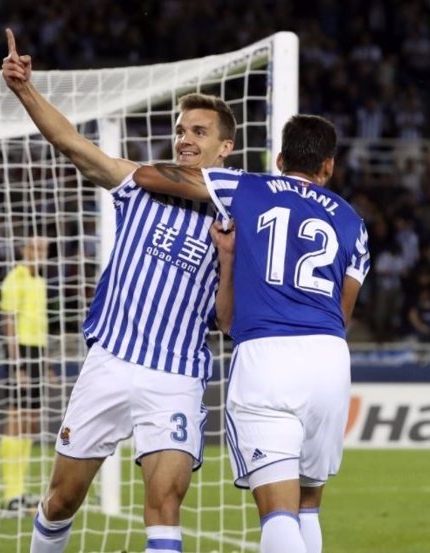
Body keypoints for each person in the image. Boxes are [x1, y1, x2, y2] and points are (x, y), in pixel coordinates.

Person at [2, 28, 236, 553]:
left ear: (226, 146)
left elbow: (230, 322)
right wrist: (25, 90)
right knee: (62, 500)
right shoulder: (140, 183)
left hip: (176, 374)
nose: (185, 139)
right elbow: (72, 144)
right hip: (110, 362)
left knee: (165, 505)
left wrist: (227, 255)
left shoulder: (240, 215)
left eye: (199, 131)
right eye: (180, 129)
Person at [133, 114, 371, 553]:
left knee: (278, 511)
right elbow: (345, 311)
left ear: (280, 158)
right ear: (329, 167)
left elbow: (151, 176)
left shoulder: (246, 186)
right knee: (308, 503)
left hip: (268, 356)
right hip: (330, 358)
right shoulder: (354, 223)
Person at [0, 236, 49, 511]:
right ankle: (11, 493)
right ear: (24, 250)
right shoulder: (13, 279)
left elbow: (38, 323)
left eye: (44, 250)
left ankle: (21, 490)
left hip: (38, 353)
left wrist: (47, 365)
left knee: (31, 421)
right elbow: (9, 322)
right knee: (16, 418)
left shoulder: (39, 281)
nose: (40, 254)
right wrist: (16, 364)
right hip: (20, 353)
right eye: (36, 249)